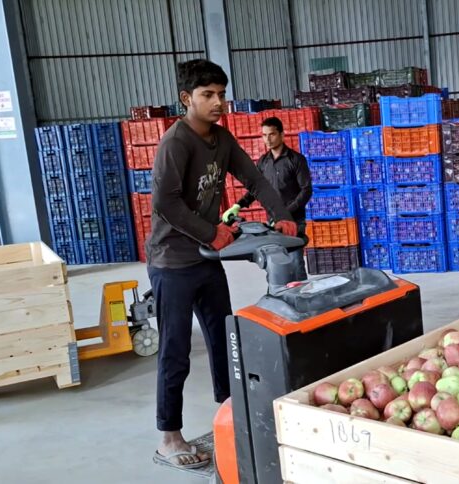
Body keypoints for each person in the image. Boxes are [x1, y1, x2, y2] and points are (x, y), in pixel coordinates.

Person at [147, 59, 297, 469]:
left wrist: (280, 213)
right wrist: (211, 232)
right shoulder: (176, 143)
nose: (218, 103)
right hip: (172, 263)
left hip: (205, 259)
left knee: (224, 340)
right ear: (186, 99)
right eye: (207, 95)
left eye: (221, 94)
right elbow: (165, 202)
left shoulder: (222, 138)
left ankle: (231, 417)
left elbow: (256, 179)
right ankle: (169, 437)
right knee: (175, 350)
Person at [222, 117, 312, 281]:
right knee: (276, 262)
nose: (267, 139)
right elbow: (255, 189)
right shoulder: (263, 162)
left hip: (294, 221)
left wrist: (285, 214)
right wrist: (238, 205)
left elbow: (306, 191)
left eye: (271, 134)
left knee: (295, 262)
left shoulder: (296, 160)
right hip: (271, 221)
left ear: (282, 135)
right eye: (264, 135)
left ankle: (303, 298)